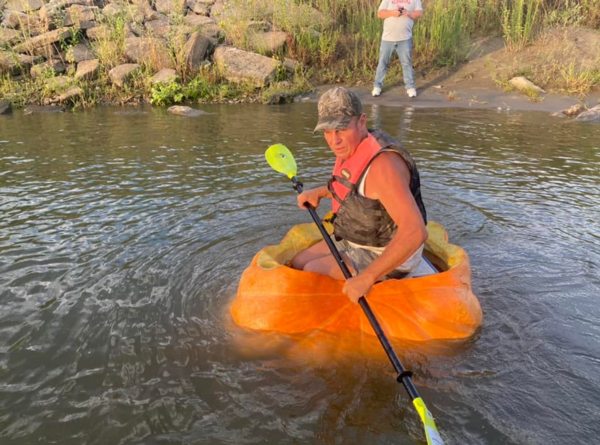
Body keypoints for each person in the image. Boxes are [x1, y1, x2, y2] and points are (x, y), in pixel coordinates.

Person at [292, 86, 432, 304]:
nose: (333, 140)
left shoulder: (383, 168)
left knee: (312, 270)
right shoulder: (354, 146)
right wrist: (318, 193)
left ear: (362, 122)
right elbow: (353, 187)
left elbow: (415, 232)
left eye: (341, 129)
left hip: (387, 253)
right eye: (327, 131)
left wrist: (367, 277)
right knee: (299, 262)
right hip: (358, 239)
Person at [372, 0, 423, 98]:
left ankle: (410, 87)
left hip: (405, 38)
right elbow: (380, 13)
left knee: (406, 63)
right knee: (383, 63)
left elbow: (419, 13)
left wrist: (408, 13)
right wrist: (393, 13)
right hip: (387, 38)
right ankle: (377, 86)